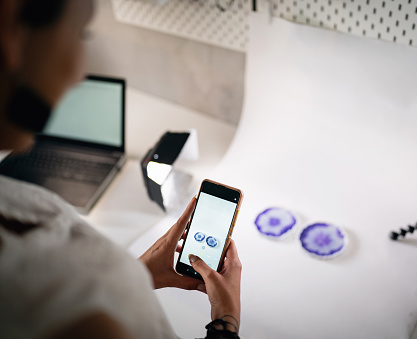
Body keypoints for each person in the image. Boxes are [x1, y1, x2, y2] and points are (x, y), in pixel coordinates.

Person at [0, 0, 242, 338]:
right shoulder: (60, 312)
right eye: (80, 32)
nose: (78, 75)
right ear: (11, 29)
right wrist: (226, 319)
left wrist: (140, 273)